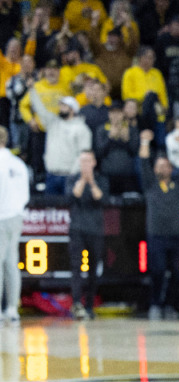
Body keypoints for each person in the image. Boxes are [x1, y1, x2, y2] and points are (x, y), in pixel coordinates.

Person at [139, 129, 179, 320]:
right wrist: (145, 142)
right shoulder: (150, 184)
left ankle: (170, 305)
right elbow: (143, 162)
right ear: (155, 169)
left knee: (177, 273)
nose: (163, 169)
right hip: (156, 235)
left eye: (166, 165)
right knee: (158, 271)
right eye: (159, 166)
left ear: (171, 169)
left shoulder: (178, 185)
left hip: (175, 236)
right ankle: (155, 304)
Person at [66, 150, 108, 320]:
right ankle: (77, 303)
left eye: (88, 161)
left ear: (94, 162)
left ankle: (89, 305)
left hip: (95, 230)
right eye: (82, 161)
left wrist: (91, 182)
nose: (85, 164)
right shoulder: (72, 179)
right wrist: (83, 180)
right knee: (76, 268)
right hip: (77, 229)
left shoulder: (101, 180)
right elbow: (71, 196)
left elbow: (101, 199)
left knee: (93, 270)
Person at [28, 90, 92, 196]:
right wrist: (32, 91)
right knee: (50, 209)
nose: (60, 108)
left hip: (70, 177)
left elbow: (84, 154)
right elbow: (40, 110)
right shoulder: (53, 124)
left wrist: (73, 173)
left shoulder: (82, 128)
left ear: (72, 109)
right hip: (51, 175)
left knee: (69, 209)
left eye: (64, 106)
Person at [0, 125, 28, 323]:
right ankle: (12, 309)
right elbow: (25, 194)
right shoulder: (18, 164)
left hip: (1, 216)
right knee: (11, 262)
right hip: (16, 216)